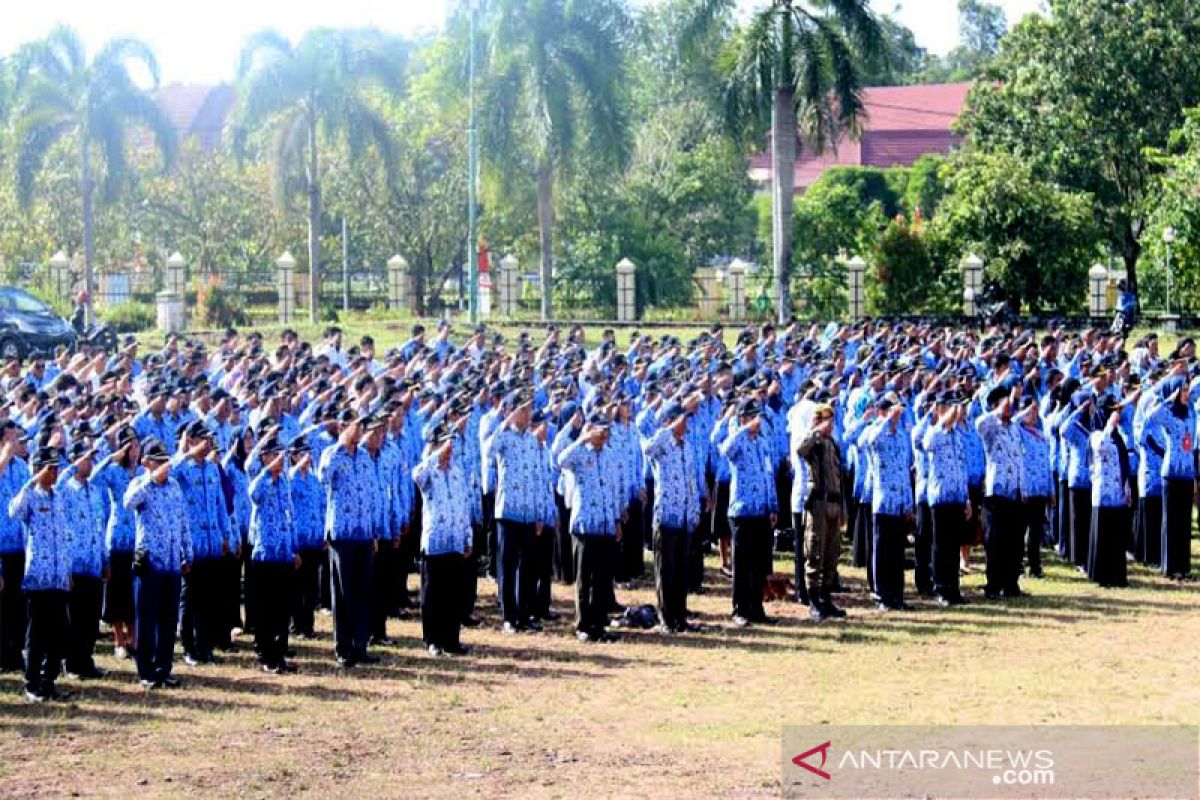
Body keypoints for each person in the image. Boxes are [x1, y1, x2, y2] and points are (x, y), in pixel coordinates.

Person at [123, 438, 192, 689]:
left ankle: (164, 668)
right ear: (147, 463)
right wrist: (150, 478)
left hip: (173, 562)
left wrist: (187, 554)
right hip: (150, 562)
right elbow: (127, 502)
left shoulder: (174, 487)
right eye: (159, 461)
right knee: (147, 619)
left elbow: (182, 521)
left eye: (166, 461)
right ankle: (146, 671)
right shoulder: (140, 485)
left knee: (168, 620)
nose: (165, 466)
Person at [317, 414, 379, 668]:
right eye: (356, 426)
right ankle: (343, 647)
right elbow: (322, 478)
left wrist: (374, 531)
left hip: (364, 533)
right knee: (343, 594)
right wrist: (339, 445)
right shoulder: (331, 455)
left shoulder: (364, 458)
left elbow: (371, 495)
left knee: (363, 591)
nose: (360, 430)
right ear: (344, 427)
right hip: (342, 534)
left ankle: (360, 645)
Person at [9, 446, 71, 702]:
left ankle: (49, 681)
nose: (54, 473)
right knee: (36, 634)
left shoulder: (57, 497)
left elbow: (64, 536)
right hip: (38, 577)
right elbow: (14, 511)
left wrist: (67, 571)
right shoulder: (31, 496)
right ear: (38, 469)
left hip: (58, 577)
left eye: (56, 468)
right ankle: (32, 683)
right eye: (49, 468)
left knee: (59, 633)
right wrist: (32, 481)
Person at [556, 412, 623, 643]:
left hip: (604, 524)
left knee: (603, 579)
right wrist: (582, 439)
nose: (604, 434)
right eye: (600, 430)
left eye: (606, 430)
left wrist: (616, 520)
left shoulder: (610, 455)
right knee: (585, 578)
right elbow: (560, 460)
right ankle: (583, 624)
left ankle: (599, 622)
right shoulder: (579, 454)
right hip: (585, 524)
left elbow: (613, 489)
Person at [642, 401, 707, 634]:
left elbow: (691, 480)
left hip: (684, 516)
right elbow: (648, 449)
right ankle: (666, 618)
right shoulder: (663, 445)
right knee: (666, 571)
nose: (686, 423)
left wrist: (695, 509)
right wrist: (669, 428)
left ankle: (680, 616)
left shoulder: (687, 447)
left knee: (681, 570)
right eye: (682, 419)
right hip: (666, 516)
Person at [172, 420, 233, 666]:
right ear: (192, 440)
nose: (209, 444)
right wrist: (185, 451)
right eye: (203, 439)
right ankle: (189, 647)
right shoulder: (183, 469)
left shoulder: (211, 469)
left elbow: (220, 504)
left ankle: (205, 646)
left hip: (212, 543)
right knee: (190, 599)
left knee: (209, 599)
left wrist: (225, 535)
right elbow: (168, 469)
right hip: (192, 544)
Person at [487, 396, 548, 634]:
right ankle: (509, 617)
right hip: (508, 511)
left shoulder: (532, 442)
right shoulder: (504, 437)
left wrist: (540, 513)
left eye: (529, 409)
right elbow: (489, 450)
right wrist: (504, 423)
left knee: (527, 566)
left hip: (528, 513)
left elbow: (537, 478)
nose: (528, 414)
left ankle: (524, 614)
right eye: (523, 409)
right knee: (508, 565)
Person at [412, 424, 472, 656]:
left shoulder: (457, 472)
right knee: (432, 593)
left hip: (455, 538)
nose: (450, 447)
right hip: (435, 539)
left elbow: (463, 505)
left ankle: (451, 639)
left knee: (453, 593)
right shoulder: (429, 470)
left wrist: (468, 536)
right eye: (445, 442)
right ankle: (432, 639)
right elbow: (416, 476)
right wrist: (435, 455)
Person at [718, 399, 778, 628]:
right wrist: (743, 428)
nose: (758, 421)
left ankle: (756, 607)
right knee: (742, 564)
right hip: (742, 511)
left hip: (761, 510)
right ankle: (739, 609)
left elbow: (768, 475)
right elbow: (725, 449)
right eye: (753, 416)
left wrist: (773, 506)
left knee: (759, 564)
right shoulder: (738, 440)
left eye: (758, 416)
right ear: (743, 419)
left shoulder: (762, 444)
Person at [247, 440, 300, 673]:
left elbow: (290, 517)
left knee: (282, 609)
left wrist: (294, 549)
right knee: (266, 609)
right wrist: (268, 471)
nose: (280, 460)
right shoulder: (261, 482)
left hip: (284, 553)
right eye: (274, 456)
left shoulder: (284, 482)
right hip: (265, 553)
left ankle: (280, 655)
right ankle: (267, 655)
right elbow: (253, 494)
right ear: (264, 458)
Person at [858, 394, 914, 612]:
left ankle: (897, 595)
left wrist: (908, 502)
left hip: (899, 501)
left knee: (897, 553)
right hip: (883, 501)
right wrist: (885, 420)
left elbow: (904, 470)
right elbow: (866, 441)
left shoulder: (900, 436)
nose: (897, 416)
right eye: (893, 410)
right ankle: (882, 595)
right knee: (882, 551)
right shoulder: (875, 432)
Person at [59, 440, 108, 680]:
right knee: (74, 618)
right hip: (74, 564)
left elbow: (100, 527)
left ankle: (86, 660)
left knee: (91, 618)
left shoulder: (95, 491)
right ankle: (72, 663)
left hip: (93, 563)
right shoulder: (64, 490)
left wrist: (104, 559)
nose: (91, 464)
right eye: (86, 459)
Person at [796, 403, 846, 621]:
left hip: (834, 503)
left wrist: (843, 508)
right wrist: (815, 431)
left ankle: (826, 597)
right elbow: (800, 450)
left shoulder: (833, 444)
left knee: (831, 553)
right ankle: (814, 600)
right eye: (826, 420)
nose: (830, 425)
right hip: (817, 503)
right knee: (815, 551)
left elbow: (839, 476)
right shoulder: (813, 442)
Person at [975, 386, 1025, 599]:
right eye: (1005, 403)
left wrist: (1023, 487)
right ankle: (993, 585)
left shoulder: (1014, 428)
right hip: (996, 492)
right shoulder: (991, 426)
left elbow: (1019, 459)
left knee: (1014, 541)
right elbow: (979, 423)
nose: (1009, 407)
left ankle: (1011, 584)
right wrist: (997, 411)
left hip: (1014, 491)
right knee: (995, 541)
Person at [1087, 400, 1131, 588]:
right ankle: (1102, 575)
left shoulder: (1118, 436)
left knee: (1117, 536)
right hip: (1103, 491)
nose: (1117, 415)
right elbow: (1100, 447)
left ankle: (1117, 575)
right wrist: (1109, 425)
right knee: (1103, 534)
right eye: (1113, 412)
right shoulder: (1097, 434)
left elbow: (1124, 461)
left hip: (1118, 492)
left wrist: (1127, 487)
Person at [0, 423, 31, 671]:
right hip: (0, 548)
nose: (16, 442)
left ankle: (15, 652)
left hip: (20, 546)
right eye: (10, 438)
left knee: (17, 603)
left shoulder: (21, 468)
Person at [287, 438, 325, 639]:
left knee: (311, 586)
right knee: (296, 586)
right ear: (294, 456)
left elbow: (322, 506)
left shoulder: (313, 480)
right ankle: (296, 624)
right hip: (297, 540)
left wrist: (324, 533)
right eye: (302, 453)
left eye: (308, 453)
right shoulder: (290, 479)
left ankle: (308, 626)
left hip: (314, 539)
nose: (307, 458)